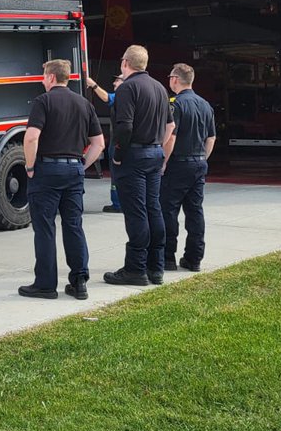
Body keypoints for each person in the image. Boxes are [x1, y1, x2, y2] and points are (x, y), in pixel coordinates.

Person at [18, 59, 105, 301]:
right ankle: (79, 282)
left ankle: (45, 285)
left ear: (52, 77)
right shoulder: (84, 104)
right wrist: (82, 165)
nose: (42, 80)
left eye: (44, 76)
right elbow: (99, 143)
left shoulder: (43, 102)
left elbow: (31, 138)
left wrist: (30, 166)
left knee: (45, 228)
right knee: (73, 225)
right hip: (74, 171)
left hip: (46, 171)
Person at [104, 44, 175, 287]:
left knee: (136, 212)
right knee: (153, 207)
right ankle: (156, 266)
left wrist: (118, 155)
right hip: (154, 152)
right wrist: (157, 146)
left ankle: (135, 268)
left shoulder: (127, 88)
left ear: (125, 63)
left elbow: (124, 126)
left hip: (133, 155)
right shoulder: (159, 88)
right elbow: (170, 125)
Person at [161, 63, 217, 272]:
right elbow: (211, 138)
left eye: (170, 77)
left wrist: (163, 162)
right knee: (195, 212)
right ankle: (194, 258)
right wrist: (202, 158)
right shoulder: (205, 105)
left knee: (169, 211)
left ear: (175, 79)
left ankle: (167, 257)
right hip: (199, 162)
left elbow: (171, 137)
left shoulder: (175, 104)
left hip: (178, 164)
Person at [86, 74, 123, 213]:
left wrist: (93, 85)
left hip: (119, 142)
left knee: (117, 173)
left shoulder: (122, 96)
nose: (114, 83)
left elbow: (107, 98)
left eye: (117, 80)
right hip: (123, 141)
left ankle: (118, 204)